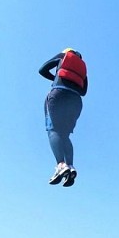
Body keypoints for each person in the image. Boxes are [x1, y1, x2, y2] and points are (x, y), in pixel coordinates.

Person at [39, 48, 88, 187]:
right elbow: (83, 91)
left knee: (53, 130)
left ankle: (60, 165)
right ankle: (70, 166)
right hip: (76, 101)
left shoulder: (63, 56)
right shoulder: (83, 67)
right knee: (65, 135)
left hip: (59, 94)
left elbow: (42, 70)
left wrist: (56, 78)